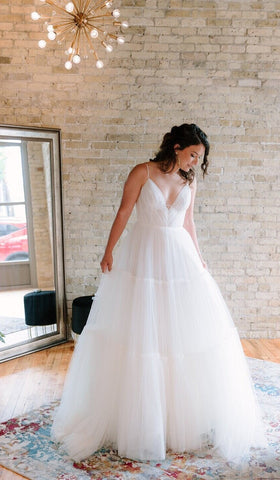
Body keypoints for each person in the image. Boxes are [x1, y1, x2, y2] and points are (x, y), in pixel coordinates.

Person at [51, 123, 266, 463]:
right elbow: (123, 211)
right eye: (193, 154)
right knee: (141, 333)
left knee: (180, 334)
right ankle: (138, 416)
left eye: (199, 158)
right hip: (144, 256)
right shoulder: (143, 171)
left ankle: (180, 413)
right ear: (177, 147)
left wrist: (199, 257)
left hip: (179, 258)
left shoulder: (188, 181)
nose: (195, 162)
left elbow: (188, 223)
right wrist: (109, 251)